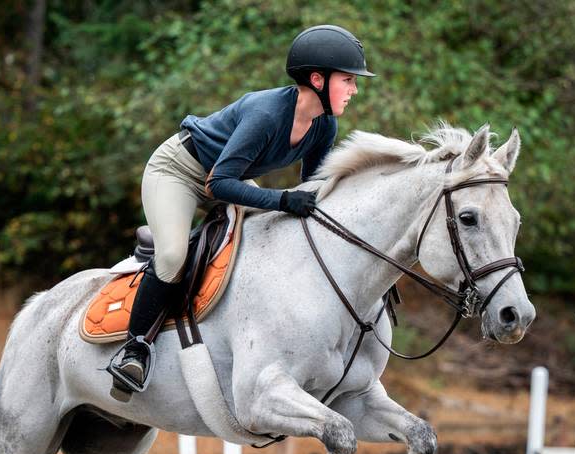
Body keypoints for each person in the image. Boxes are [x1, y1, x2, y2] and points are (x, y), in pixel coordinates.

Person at [106, 24, 374, 398]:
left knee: (273, 235)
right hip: (179, 171)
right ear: (317, 79)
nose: (354, 89)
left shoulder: (324, 125)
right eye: (348, 80)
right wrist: (282, 200)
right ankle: (134, 349)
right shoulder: (266, 114)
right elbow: (218, 184)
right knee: (172, 256)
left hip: (227, 177)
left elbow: (311, 190)